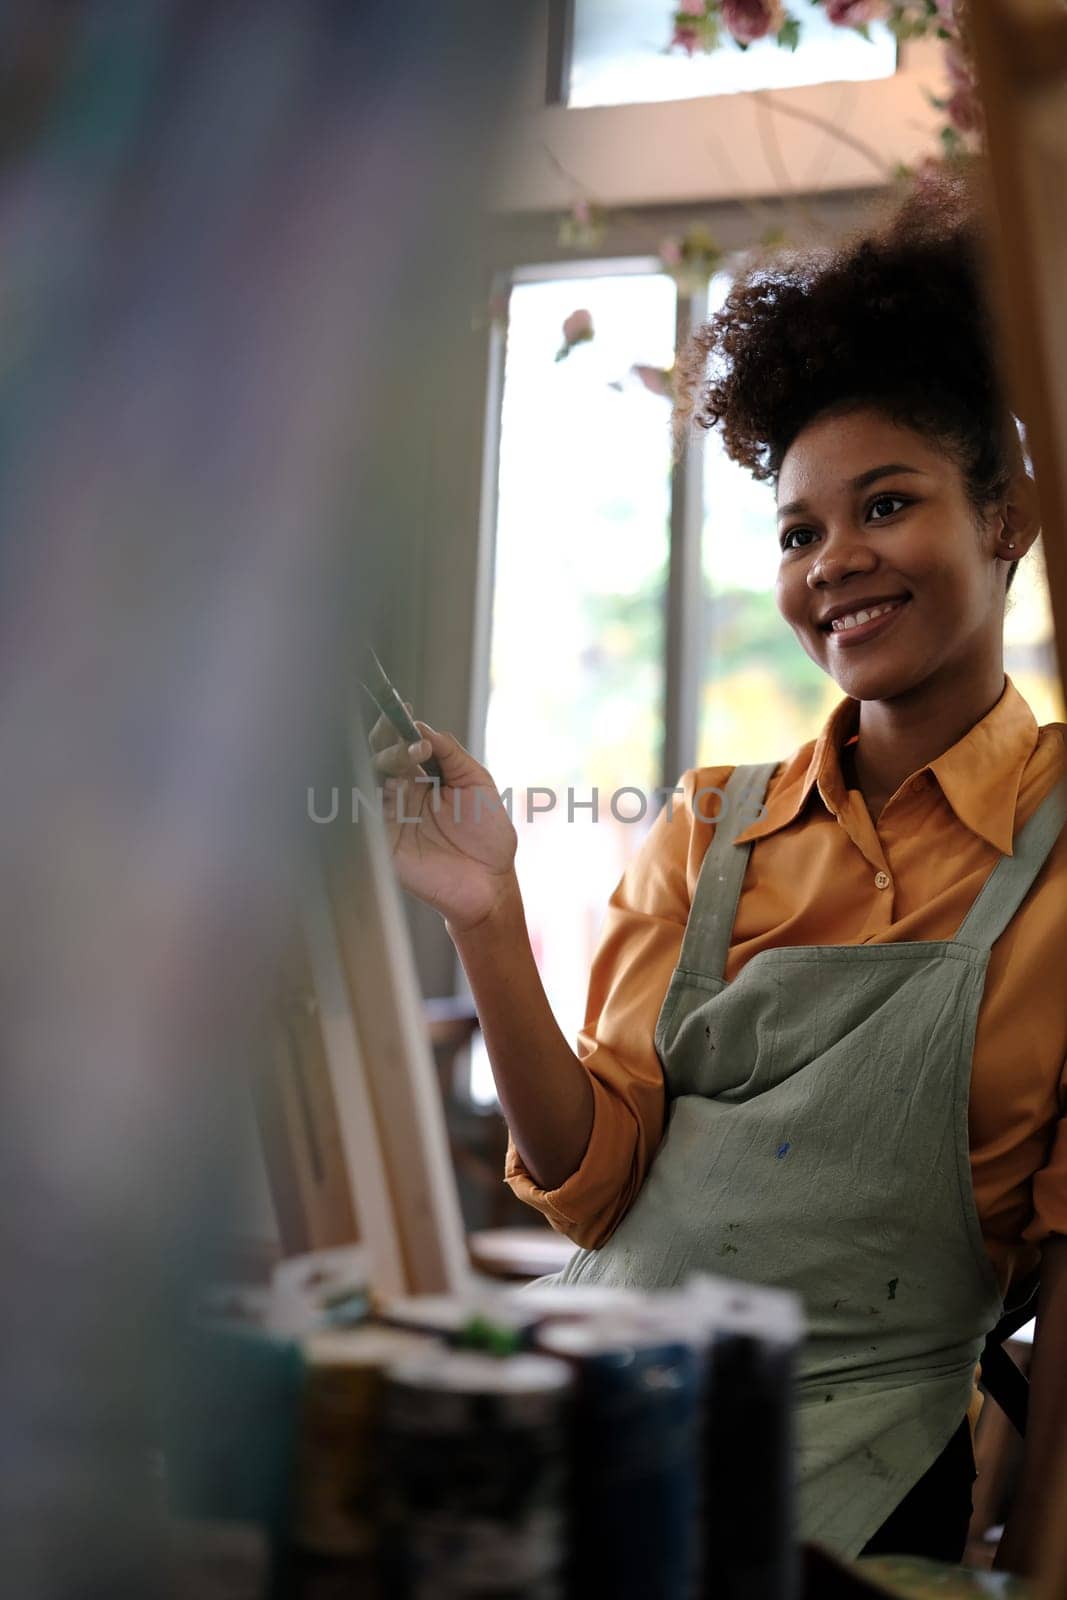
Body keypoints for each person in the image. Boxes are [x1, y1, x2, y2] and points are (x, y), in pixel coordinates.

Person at [369, 169, 1067, 1573]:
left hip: (862, 1466)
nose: (835, 564)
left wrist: (1034, 1515)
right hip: (596, 1401)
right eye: (800, 532)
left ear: (1006, 518)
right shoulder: (713, 823)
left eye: (887, 504)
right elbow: (592, 1183)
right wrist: (489, 916)